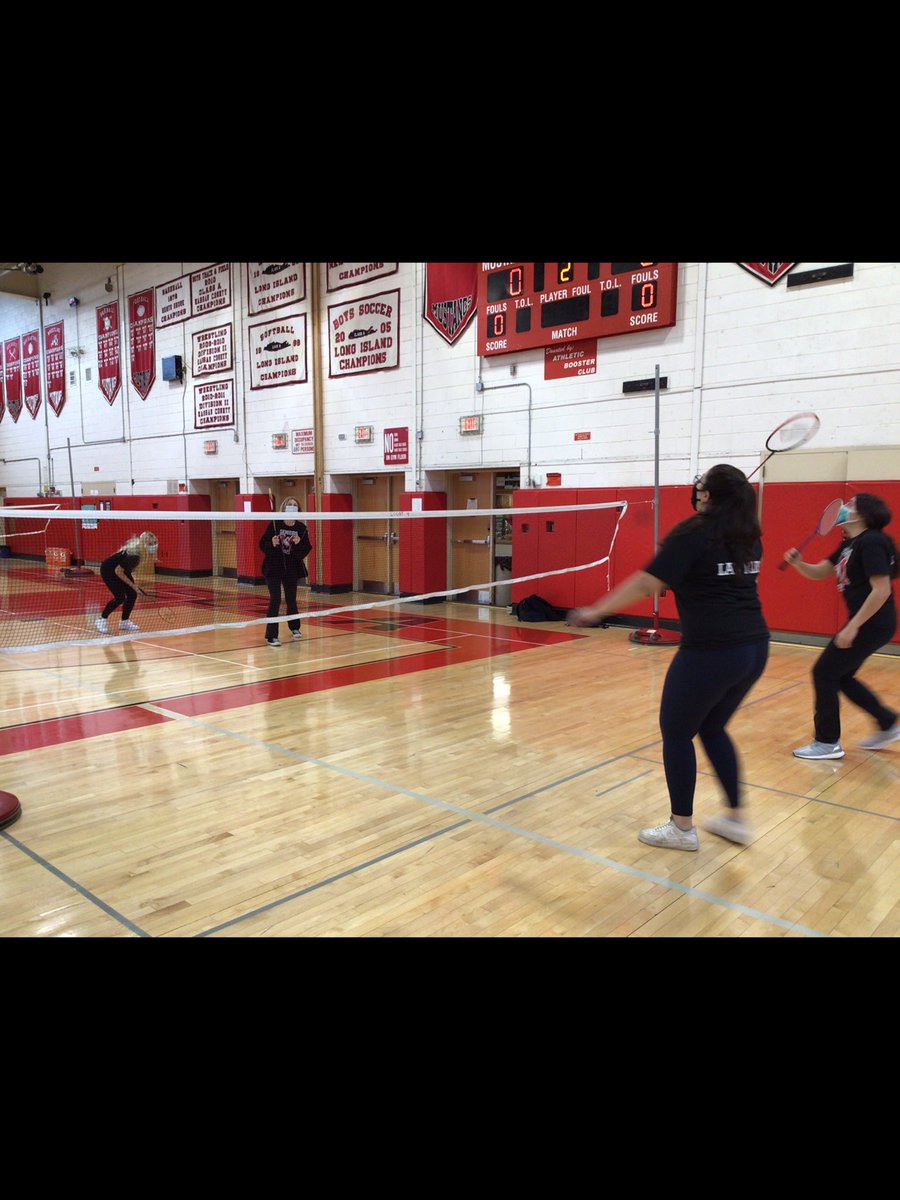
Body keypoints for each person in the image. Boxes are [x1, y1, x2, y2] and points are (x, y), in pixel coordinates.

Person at [567, 464, 770, 850]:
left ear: (709, 494)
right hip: (754, 648)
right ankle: (736, 819)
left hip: (711, 651)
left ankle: (681, 828)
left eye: (703, 484)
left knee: (676, 733)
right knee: (711, 729)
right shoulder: (748, 535)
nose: (697, 488)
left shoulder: (693, 533)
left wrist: (596, 610)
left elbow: (647, 582)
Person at [785, 493, 899, 758]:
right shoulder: (849, 544)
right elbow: (821, 571)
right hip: (867, 621)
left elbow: (881, 590)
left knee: (824, 672)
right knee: (841, 676)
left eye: (850, 505)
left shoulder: (872, 541)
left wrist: (853, 627)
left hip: (872, 621)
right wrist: (798, 563)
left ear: (862, 515)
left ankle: (827, 742)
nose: (844, 508)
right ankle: (888, 722)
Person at [259, 497, 311, 646]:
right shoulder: (275, 524)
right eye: (289, 504)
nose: (292, 506)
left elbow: (305, 550)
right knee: (275, 599)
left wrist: (299, 543)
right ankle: (271, 636)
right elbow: (262, 545)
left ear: (298, 509)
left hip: (291, 569)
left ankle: (295, 627)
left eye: (295, 505)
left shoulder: (301, 528)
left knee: (291, 599)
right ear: (284, 507)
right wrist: (271, 543)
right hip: (274, 567)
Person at [95, 531, 158, 634]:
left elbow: (124, 570)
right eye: (150, 544)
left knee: (132, 594)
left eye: (154, 543)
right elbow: (118, 571)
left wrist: (134, 587)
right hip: (109, 570)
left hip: (121, 570)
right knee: (120, 597)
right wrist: (134, 585)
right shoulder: (135, 555)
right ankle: (101, 619)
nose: (153, 546)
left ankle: (124, 622)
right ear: (143, 544)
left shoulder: (142, 553)